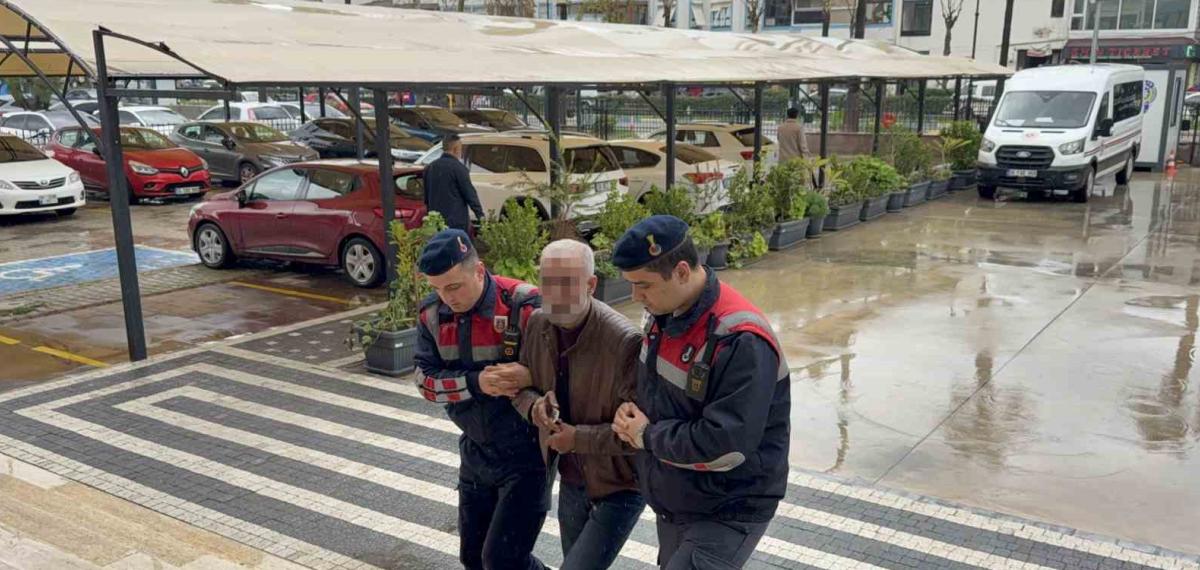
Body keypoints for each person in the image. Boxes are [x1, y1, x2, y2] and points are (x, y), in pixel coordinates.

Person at [609, 215, 791, 569]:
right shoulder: (667, 313)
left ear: (680, 271)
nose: (635, 296)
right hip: (680, 498)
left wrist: (646, 435)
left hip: (728, 506)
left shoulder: (741, 339)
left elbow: (726, 445)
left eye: (643, 285)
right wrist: (628, 413)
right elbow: (657, 393)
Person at [413, 228, 548, 570]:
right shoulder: (431, 315)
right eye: (437, 288)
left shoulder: (524, 304)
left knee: (503, 559)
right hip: (474, 450)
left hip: (527, 455)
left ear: (479, 269)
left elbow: (564, 368)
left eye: (454, 286)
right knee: (473, 559)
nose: (447, 297)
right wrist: (476, 383)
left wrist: (531, 376)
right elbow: (425, 382)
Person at [510, 240, 646, 570]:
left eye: (566, 283)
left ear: (591, 284)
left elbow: (638, 434)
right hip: (571, 477)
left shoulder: (624, 341)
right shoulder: (538, 323)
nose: (554, 294)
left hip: (619, 484)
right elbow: (520, 390)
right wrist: (535, 408)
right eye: (547, 282)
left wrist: (577, 439)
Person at [424, 134, 485, 232]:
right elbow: (470, 194)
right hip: (456, 222)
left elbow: (426, 198)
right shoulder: (459, 169)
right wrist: (480, 216)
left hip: (435, 222)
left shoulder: (430, 168)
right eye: (461, 149)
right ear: (456, 149)